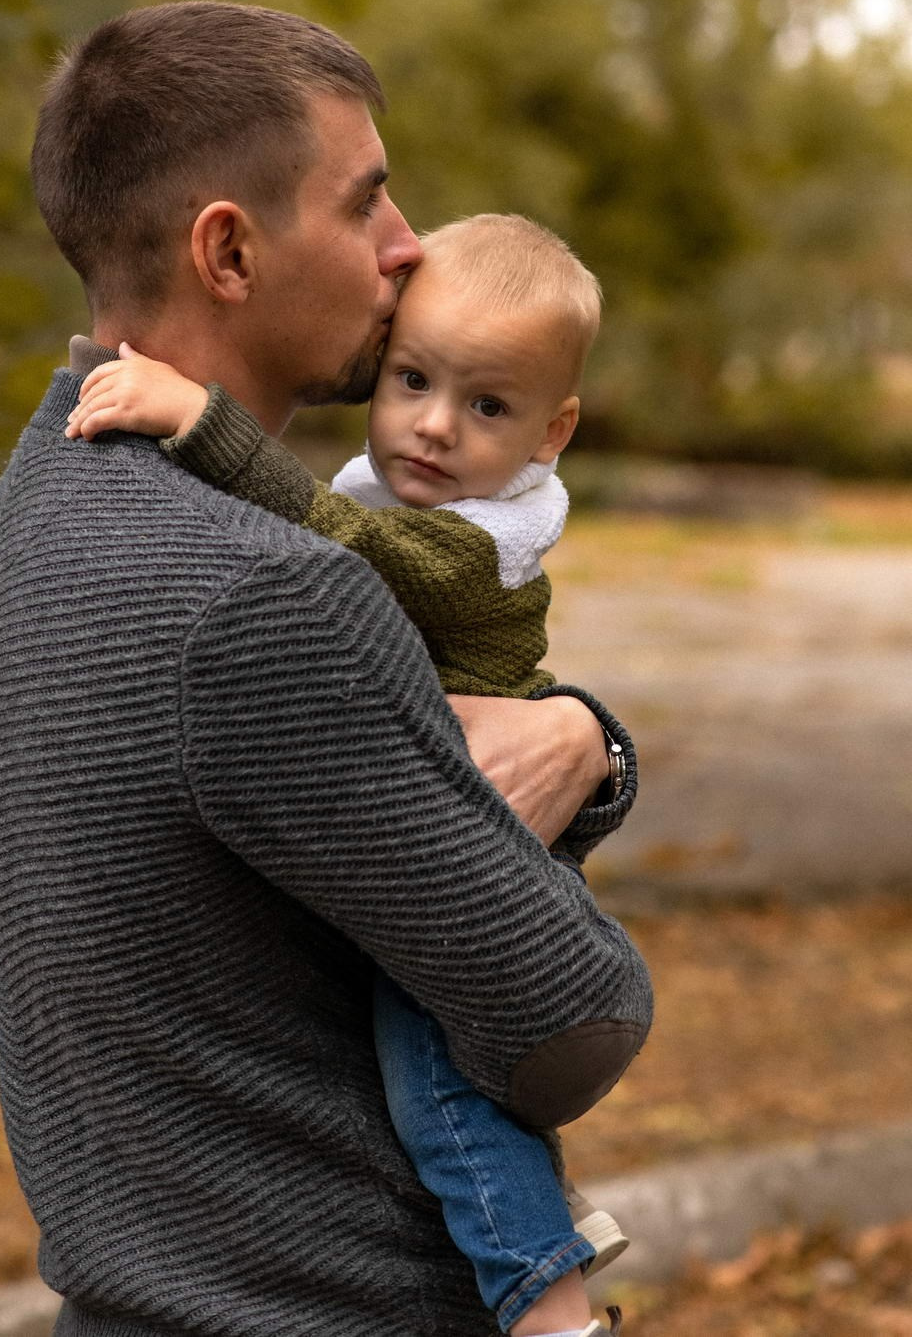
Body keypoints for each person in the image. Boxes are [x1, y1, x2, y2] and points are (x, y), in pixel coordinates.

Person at [0, 0, 653, 1337]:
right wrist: (596, 752)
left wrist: (585, 738)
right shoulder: (268, 597)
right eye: (367, 203)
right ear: (229, 250)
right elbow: (573, 1017)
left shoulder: (34, 511)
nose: (408, 252)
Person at [64, 211, 631, 1337]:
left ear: (552, 431)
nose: (430, 427)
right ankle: (536, 1213)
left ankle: (550, 1303)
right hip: (434, 808)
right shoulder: (412, 483)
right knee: (446, 1075)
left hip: (488, 829)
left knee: (437, 1083)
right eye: (412, 378)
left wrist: (200, 421)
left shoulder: (469, 547)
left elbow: (342, 541)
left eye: (487, 407)